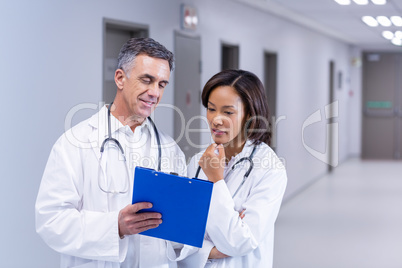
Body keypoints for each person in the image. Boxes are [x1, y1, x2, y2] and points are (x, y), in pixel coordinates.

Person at [35, 37, 186, 268]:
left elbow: (177, 233)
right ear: (120, 78)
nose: (155, 92)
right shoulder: (75, 143)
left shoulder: (169, 149)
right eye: (147, 80)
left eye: (162, 84)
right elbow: (51, 221)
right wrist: (115, 226)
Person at [178, 69, 287, 267]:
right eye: (211, 109)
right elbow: (178, 231)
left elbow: (240, 241)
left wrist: (216, 180)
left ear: (250, 116)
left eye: (228, 112)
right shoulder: (197, 162)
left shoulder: (270, 170)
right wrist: (210, 250)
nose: (216, 119)